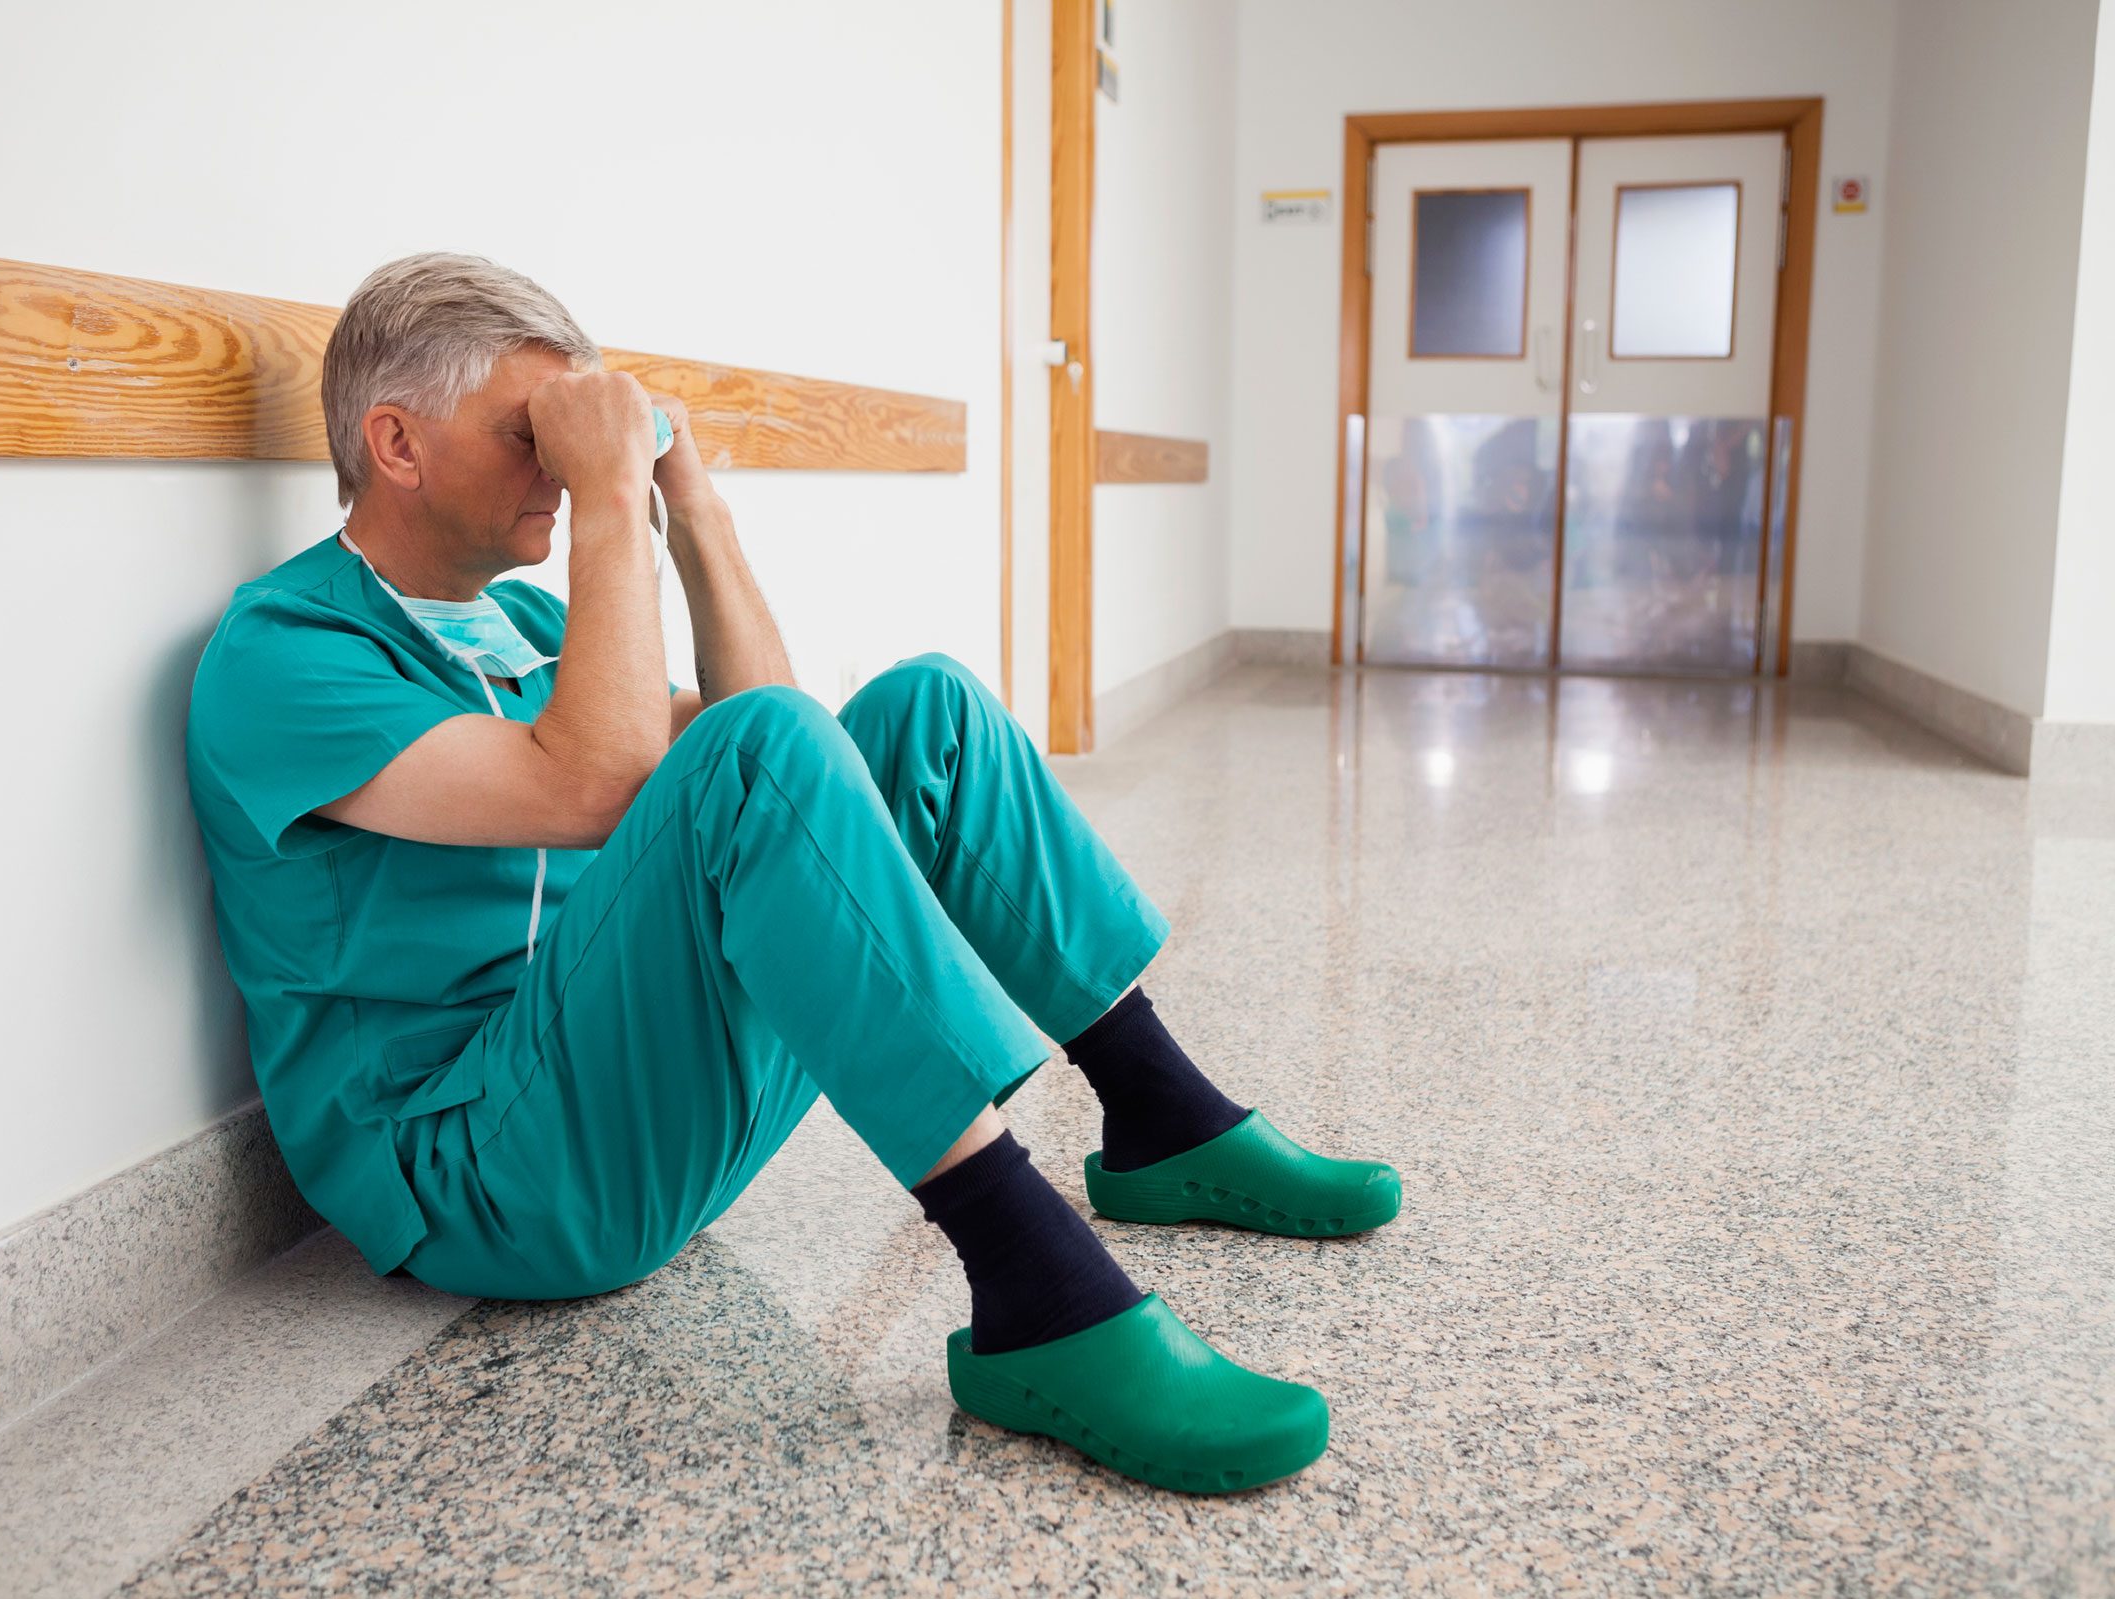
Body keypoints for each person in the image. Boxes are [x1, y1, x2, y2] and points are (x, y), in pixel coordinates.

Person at [184, 252, 1402, 1495]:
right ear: (396, 443)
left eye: (571, 432)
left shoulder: (533, 630)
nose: (558, 462)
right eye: (528, 431)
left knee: (923, 714)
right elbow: (601, 784)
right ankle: (1036, 1289)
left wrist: (690, 506)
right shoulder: (284, 656)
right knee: (751, 753)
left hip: (619, 1098)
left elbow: (784, 751)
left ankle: (1160, 1115)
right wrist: (608, 505)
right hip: (479, 1182)